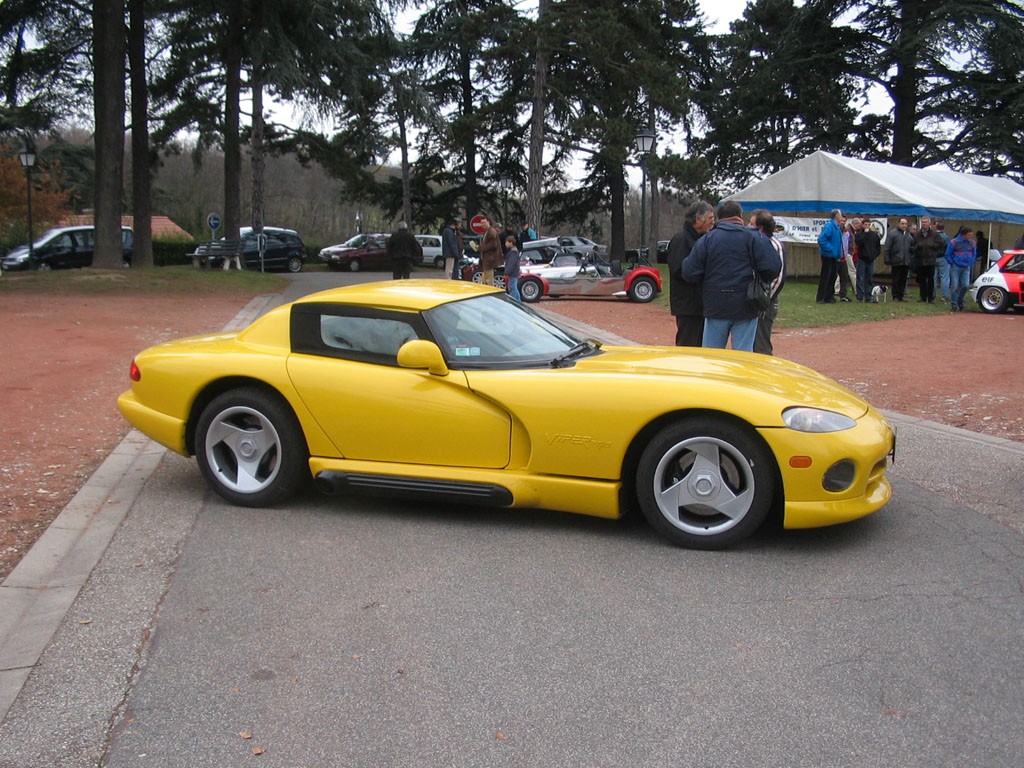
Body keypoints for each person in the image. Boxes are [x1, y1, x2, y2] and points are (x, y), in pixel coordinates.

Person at [682, 200, 781, 352]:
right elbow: (773, 267)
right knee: (743, 356)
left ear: (719, 218)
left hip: (715, 304)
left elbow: (689, 272)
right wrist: (759, 279)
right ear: (740, 217)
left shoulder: (707, 240)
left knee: (711, 356)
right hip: (746, 304)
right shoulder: (754, 238)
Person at [666, 200, 715, 346]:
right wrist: (702, 273)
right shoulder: (681, 240)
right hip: (688, 306)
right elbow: (678, 271)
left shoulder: (702, 239)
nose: (713, 223)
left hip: (700, 305)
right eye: (710, 219)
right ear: (698, 219)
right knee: (688, 344)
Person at [750, 209, 785, 355]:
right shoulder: (754, 242)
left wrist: (763, 298)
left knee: (761, 345)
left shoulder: (774, 245)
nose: (748, 226)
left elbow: (778, 278)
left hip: (765, 302)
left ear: (761, 228)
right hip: (753, 300)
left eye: (751, 224)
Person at [913, 216, 944, 302]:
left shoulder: (935, 234)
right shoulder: (917, 234)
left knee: (931, 280)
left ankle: (931, 297)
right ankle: (922, 297)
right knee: (922, 280)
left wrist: (934, 248)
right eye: (923, 222)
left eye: (925, 222)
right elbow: (913, 245)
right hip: (920, 260)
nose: (924, 224)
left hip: (931, 261)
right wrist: (916, 248)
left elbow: (941, 244)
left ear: (929, 223)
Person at [816, 209, 844, 303]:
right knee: (826, 276)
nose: (841, 217)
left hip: (834, 256)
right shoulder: (830, 226)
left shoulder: (836, 227)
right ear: (837, 216)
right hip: (828, 255)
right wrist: (830, 249)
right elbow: (821, 239)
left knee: (833, 276)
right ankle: (821, 297)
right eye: (840, 215)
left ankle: (829, 296)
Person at [946, 226, 977, 312]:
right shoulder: (954, 242)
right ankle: (954, 304)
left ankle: (960, 300)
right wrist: (952, 262)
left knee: (965, 285)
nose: (970, 237)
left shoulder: (972, 243)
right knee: (954, 285)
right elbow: (948, 253)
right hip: (956, 266)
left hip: (966, 266)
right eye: (968, 235)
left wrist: (971, 261)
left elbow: (974, 253)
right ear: (963, 235)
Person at [883, 217, 914, 301]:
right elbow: (887, 247)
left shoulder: (908, 235)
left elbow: (912, 246)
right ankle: (895, 296)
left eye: (905, 224)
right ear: (898, 224)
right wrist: (887, 258)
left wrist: (912, 250)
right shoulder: (892, 234)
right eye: (902, 223)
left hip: (906, 261)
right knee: (896, 279)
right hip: (896, 260)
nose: (904, 225)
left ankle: (901, 295)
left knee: (903, 280)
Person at [854, 218, 882, 302]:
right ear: (862, 225)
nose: (867, 226)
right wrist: (865, 234)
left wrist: (874, 255)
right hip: (862, 259)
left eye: (868, 225)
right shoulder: (859, 234)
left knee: (869, 278)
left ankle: (868, 296)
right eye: (865, 224)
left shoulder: (874, 235)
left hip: (871, 259)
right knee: (860, 278)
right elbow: (859, 243)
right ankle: (860, 296)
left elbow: (878, 247)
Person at [477, 215, 502, 286]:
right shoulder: (487, 231)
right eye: (481, 223)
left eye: (484, 222)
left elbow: (493, 245)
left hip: (490, 260)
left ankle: (490, 295)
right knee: (486, 280)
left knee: (489, 280)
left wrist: (481, 247)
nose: (483, 224)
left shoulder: (491, 231)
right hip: (487, 260)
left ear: (488, 222)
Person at [934, 221, 951, 301]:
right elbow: (949, 248)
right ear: (943, 228)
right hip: (943, 258)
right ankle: (944, 295)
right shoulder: (946, 237)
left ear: (936, 227)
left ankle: (932, 294)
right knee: (944, 278)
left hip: (933, 258)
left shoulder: (933, 236)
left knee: (933, 277)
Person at [503, 234, 521, 301]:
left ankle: (514, 301)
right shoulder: (514, 251)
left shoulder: (513, 253)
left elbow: (511, 264)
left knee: (512, 288)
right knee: (513, 287)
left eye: (506, 242)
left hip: (512, 273)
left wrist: (506, 272)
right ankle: (518, 301)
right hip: (514, 273)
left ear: (511, 243)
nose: (505, 244)